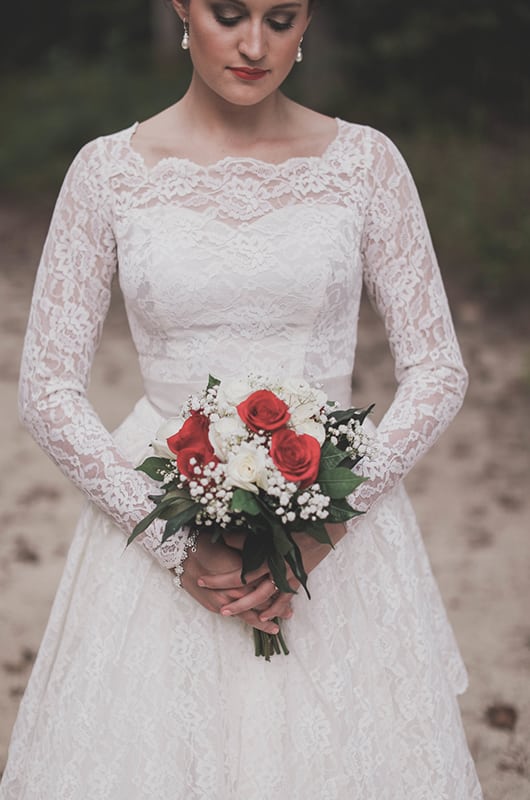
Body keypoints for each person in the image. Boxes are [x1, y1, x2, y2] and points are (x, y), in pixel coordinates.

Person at [0, 0, 484, 797]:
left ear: (309, 22)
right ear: (183, 11)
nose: (255, 44)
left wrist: (328, 524)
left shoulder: (366, 163)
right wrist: (175, 547)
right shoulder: (107, 172)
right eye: (229, 15)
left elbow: (438, 369)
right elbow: (47, 387)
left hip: (334, 527)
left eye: (281, 18)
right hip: (163, 513)